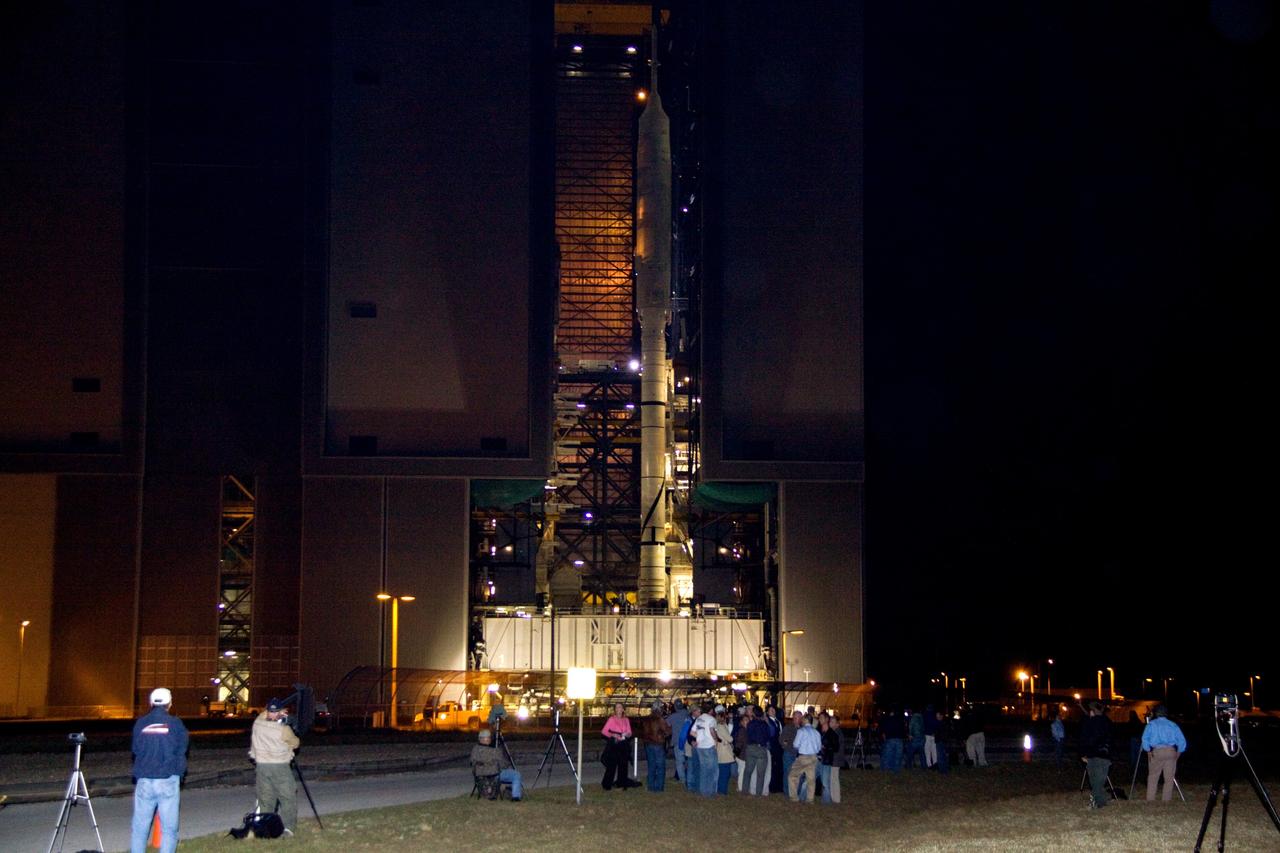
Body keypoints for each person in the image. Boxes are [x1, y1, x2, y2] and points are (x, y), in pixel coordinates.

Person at [130, 687, 188, 853]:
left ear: (151, 703)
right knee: (169, 830)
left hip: (145, 780)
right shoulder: (176, 724)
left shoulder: (140, 723)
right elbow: (181, 750)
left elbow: (136, 749)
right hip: (167, 779)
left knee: (140, 829)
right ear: (169, 703)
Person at [251, 697, 301, 834]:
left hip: (262, 766)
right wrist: (289, 723)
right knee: (287, 797)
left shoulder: (258, 724)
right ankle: (288, 828)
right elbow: (295, 743)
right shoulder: (283, 729)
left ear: (267, 711)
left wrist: (271, 711)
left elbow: (263, 715)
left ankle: (265, 828)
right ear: (279, 713)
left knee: (266, 799)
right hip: (280, 767)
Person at [1140, 704, 1187, 802]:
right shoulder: (1173, 725)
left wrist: (1147, 750)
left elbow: (1145, 738)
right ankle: (1166, 800)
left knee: (1153, 776)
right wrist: (1179, 752)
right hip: (1170, 751)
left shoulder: (1151, 724)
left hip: (1157, 751)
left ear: (1156, 713)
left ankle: (1150, 799)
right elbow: (1182, 740)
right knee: (1169, 778)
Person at [471, 728, 523, 800]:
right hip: (495, 775)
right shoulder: (495, 751)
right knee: (516, 774)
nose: (490, 739)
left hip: (480, 776)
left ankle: (501, 789)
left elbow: (472, 762)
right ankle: (516, 796)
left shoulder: (474, 750)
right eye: (489, 737)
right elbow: (503, 765)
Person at [1080, 700, 1113, 809]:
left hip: (1093, 754)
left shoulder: (1090, 723)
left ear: (1092, 711)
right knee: (1100, 780)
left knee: (1094, 780)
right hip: (1105, 755)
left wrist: (1083, 754)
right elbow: (1111, 739)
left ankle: (1095, 800)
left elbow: (1085, 739)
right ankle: (1101, 802)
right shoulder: (1108, 722)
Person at [600, 702, 638, 790]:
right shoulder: (611, 719)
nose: (618, 709)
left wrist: (627, 735)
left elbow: (630, 732)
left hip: (623, 744)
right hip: (614, 744)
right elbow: (604, 731)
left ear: (623, 709)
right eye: (616, 708)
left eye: (620, 707)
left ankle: (622, 782)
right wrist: (613, 735)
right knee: (612, 765)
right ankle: (607, 784)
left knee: (623, 765)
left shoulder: (626, 720)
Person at [639, 700, 672, 792]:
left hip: (648, 744)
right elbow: (667, 731)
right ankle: (659, 788)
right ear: (660, 708)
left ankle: (650, 786)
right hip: (658, 744)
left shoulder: (646, 719)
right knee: (660, 766)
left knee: (651, 766)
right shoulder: (660, 719)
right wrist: (670, 728)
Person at [788, 715, 822, 803]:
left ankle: (794, 797)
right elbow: (819, 747)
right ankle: (810, 799)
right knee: (811, 779)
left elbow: (795, 744)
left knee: (792, 776)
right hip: (813, 757)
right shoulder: (816, 732)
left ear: (806, 720)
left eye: (803, 719)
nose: (801, 720)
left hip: (803, 757)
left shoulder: (801, 731)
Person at [691, 702, 720, 797]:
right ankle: (711, 792)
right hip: (709, 746)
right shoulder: (711, 719)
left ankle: (703, 791)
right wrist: (716, 740)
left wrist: (700, 738)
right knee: (713, 770)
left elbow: (692, 732)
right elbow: (712, 731)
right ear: (711, 710)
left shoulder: (699, 719)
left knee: (704, 769)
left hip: (700, 747)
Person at [743, 705, 773, 795]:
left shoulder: (750, 724)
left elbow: (748, 735)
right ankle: (758, 792)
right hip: (761, 749)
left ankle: (744, 790)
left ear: (753, 713)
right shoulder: (764, 725)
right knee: (761, 773)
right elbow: (768, 736)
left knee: (748, 771)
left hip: (751, 748)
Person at [817, 712, 841, 804]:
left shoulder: (832, 734)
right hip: (818, 759)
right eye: (819, 718)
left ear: (827, 719)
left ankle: (827, 801)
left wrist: (825, 747)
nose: (820, 720)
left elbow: (836, 747)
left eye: (822, 718)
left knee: (825, 782)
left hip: (826, 760)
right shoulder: (819, 730)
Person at [780, 710, 804, 795]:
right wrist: (786, 746)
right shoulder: (788, 728)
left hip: (799, 755)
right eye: (795, 717)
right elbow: (783, 740)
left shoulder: (803, 729)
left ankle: (798, 791)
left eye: (798, 718)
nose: (796, 719)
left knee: (800, 774)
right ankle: (787, 792)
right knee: (788, 773)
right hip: (789, 754)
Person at [666, 699, 690, 783]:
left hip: (678, 741)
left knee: (679, 761)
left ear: (675, 707)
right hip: (689, 741)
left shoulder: (673, 716)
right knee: (688, 760)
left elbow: (666, 724)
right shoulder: (688, 714)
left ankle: (682, 779)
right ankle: (689, 777)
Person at [714, 705, 736, 794]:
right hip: (724, 752)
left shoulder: (719, 725)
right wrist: (727, 741)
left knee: (723, 772)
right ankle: (722, 791)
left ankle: (721, 790)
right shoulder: (721, 726)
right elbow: (730, 738)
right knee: (724, 773)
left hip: (722, 750)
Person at [765, 704, 785, 792]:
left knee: (779, 766)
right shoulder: (767, 721)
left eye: (773, 709)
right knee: (772, 767)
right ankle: (772, 787)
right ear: (767, 712)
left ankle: (779, 786)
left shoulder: (778, 721)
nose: (773, 711)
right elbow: (771, 733)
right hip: (772, 747)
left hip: (779, 747)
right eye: (770, 709)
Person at [879, 705, 906, 772]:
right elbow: (903, 729)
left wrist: (884, 735)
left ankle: (886, 768)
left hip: (890, 738)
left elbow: (883, 729)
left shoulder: (887, 719)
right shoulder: (900, 719)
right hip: (899, 739)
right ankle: (895, 769)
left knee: (888, 755)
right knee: (897, 756)